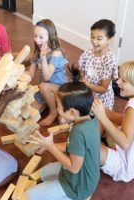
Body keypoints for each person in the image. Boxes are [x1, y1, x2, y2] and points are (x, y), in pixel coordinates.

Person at [27, 68, 100, 200]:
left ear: (72, 112)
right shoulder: (90, 118)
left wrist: (50, 147)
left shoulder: (79, 132)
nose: (57, 109)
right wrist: (48, 145)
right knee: (44, 172)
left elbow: (74, 168)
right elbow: (74, 147)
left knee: (30, 195)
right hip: (87, 178)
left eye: (58, 107)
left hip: (78, 187)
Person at [92, 59, 134, 182]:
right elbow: (127, 121)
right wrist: (106, 112)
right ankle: (99, 145)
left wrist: (102, 116)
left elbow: (124, 143)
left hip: (124, 166)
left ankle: (95, 148)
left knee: (86, 146)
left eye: (124, 81)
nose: (117, 82)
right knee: (102, 121)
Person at [27, 19, 68, 126]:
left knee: (44, 86)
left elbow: (47, 77)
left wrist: (44, 58)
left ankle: (53, 111)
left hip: (59, 89)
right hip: (44, 89)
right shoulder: (37, 52)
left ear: (50, 36)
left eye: (41, 37)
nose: (37, 40)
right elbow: (30, 75)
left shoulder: (56, 52)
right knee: (28, 112)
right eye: (35, 36)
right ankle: (47, 101)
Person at [78, 19, 118, 109]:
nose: (94, 41)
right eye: (92, 37)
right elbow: (82, 73)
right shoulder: (88, 53)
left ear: (109, 40)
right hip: (87, 93)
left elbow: (103, 89)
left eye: (99, 39)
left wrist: (87, 84)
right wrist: (81, 80)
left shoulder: (109, 59)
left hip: (101, 101)